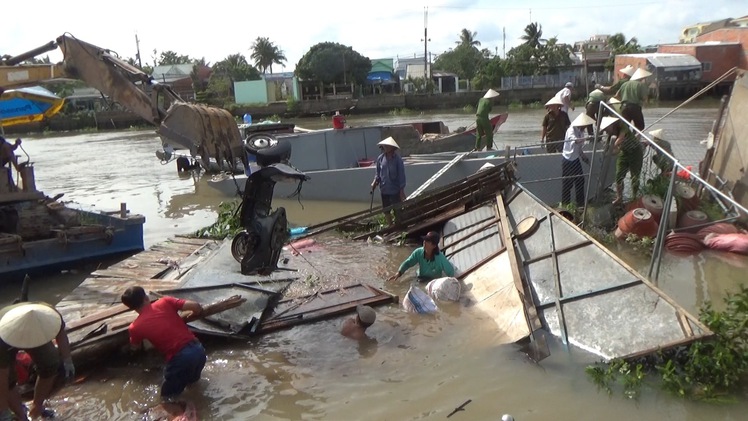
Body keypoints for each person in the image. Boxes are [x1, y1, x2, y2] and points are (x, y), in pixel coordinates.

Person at [121, 286, 206, 403]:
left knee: (167, 398)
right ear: (146, 298)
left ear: (130, 307)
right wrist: (198, 312)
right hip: (199, 350)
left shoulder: (135, 327)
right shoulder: (165, 301)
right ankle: (200, 406)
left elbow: (135, 347)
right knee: (193, 385)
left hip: (181, 359)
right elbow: (195, 306)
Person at [0, 302, 74, 420]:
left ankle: (37, 407)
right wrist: (3, 411)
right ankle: (21, 415)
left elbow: (60, 333)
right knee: (9, 380)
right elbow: (2, 378)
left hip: (35, 330)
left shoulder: (50, 315)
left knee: (51, 362)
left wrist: (67, 360)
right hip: (7, 335)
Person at [600, 116, 644, 206]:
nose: (606, 131)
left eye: (606, 129)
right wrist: (607, 153)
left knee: (635, 176)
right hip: (624, 153)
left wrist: (613, 145)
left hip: (635, 152)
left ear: (611, 125)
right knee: (618, 176)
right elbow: (615, 151)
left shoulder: (622, 126)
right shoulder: (610, 136)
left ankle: (634, 197)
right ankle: (619, 197)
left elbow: (621, 138)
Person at [387, 231, 454, 282]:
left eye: (428, 241)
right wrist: (399, 273)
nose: (424, 242)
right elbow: (408, 263)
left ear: (434, 246)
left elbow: (451, 273)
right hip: (420, 278)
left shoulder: (440, 258)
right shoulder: (418, 252)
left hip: (434, 281)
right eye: (425, 239)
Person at [371, 137, 406, 226]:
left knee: (397, 209)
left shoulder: (397, 160)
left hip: (395, 189)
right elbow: (378, 174)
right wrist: (375, 182)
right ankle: (390, 225)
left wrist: (401, 190)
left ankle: (399, 225)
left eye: (387, 146)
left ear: (392, 147)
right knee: (386, 210)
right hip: (384, 188)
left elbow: (401, 175)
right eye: (384, 146)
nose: (385, 147)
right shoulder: (380, 159)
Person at [561, 113, 595, 206]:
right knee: (567, 183)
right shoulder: (571, 130)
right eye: (584, 125)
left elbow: (579, 149)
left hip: (575, 159)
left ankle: (580, 204)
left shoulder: (581, 132)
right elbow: (575, 140)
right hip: (568, 160)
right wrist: (586, 138)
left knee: (580, 180)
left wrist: (585, 158)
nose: (585, 127)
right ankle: (565, 204)